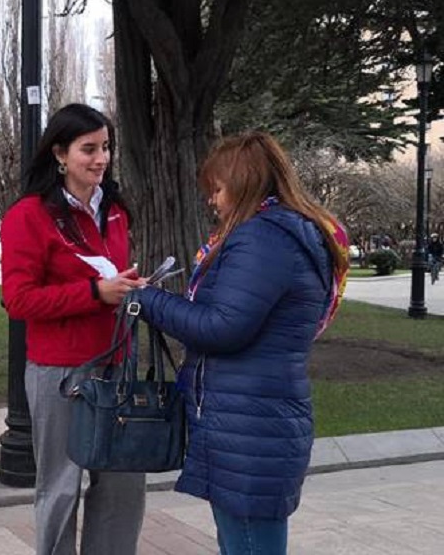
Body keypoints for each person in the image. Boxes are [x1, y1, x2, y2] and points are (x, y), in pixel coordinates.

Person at [134, 131, 350, 554]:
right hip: (250, 421)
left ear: (244, 181)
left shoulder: (263, 238)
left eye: (217, 188)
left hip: (251, 426)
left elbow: (223, 327)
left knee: (249, 543)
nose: (212, 201)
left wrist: (146, 300)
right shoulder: (280, 234)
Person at [1, 103, 147, 555]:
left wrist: (130, 289)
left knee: (124, 486)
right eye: (89, 149)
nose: (101, 158)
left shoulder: (117, 210)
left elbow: (111, 280)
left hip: (116, 365)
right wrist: (93, 293)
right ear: (60, 154)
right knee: (61, 488)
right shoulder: (29, 215)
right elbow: (18, 299)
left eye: (105, 147)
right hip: (59, 373)